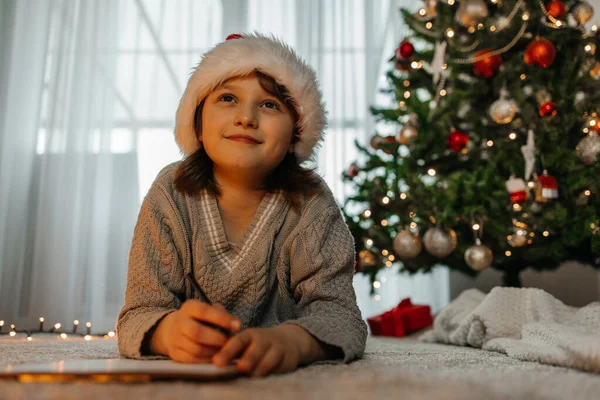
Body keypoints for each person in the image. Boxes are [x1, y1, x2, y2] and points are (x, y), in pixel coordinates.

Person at [116, 33, 367, 378]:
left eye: (269, 105)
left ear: (296, 134)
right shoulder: (169, 194)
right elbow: (138, 314)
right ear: (198, 125)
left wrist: (292, 341)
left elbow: (341, 316)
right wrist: (169, 333)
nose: (246, 117)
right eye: (228, 98)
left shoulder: (312, 205)